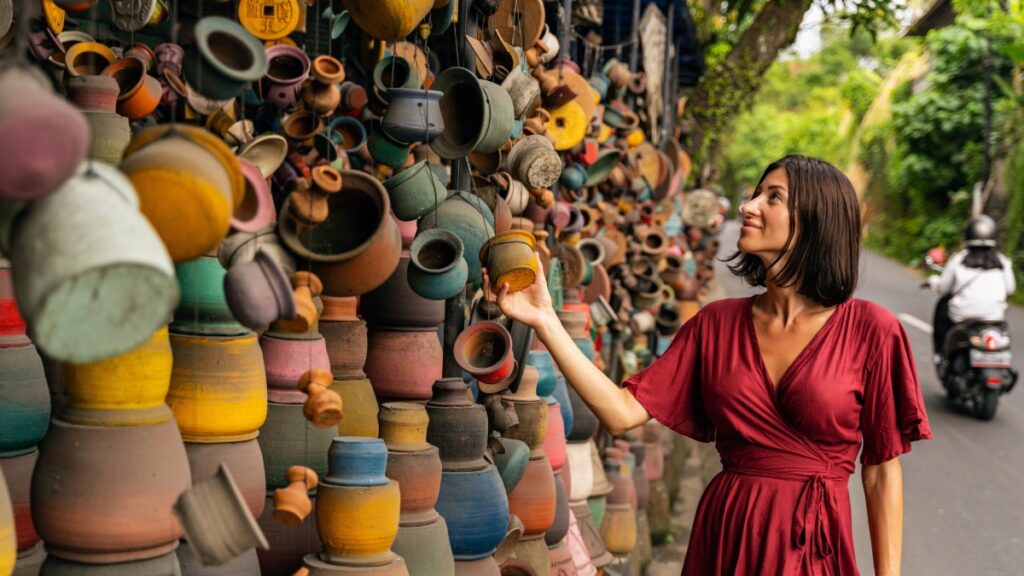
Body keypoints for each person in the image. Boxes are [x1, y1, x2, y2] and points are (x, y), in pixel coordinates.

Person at [486, 155, 931, 575]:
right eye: (756, 193)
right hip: (728, 533)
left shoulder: (871, 330)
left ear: (815, 222)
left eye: (772, 197)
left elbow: (881, 471)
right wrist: (545, 319)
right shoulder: (716, 326)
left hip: (814, 540)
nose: (748, 206)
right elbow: (621, 413)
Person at [929, 215, 1016, 358]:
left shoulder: (959, 259)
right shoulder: (1002, 261)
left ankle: (941, 353)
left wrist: (933, 281)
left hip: (962, 315)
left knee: (943, 307)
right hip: (995, 317)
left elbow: (944, 288)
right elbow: (1011, 288)